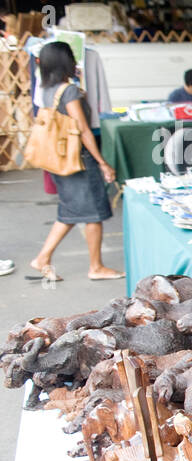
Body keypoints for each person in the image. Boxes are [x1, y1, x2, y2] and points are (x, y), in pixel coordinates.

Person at [28, 42, 122, 282]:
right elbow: (83, 130)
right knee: (93, 213)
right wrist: (102, 162)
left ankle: (42, 258)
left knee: (70, 211)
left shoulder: (46, 90)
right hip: (78, 160)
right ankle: (96, 266)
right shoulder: (68, 91)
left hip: (58, 159)